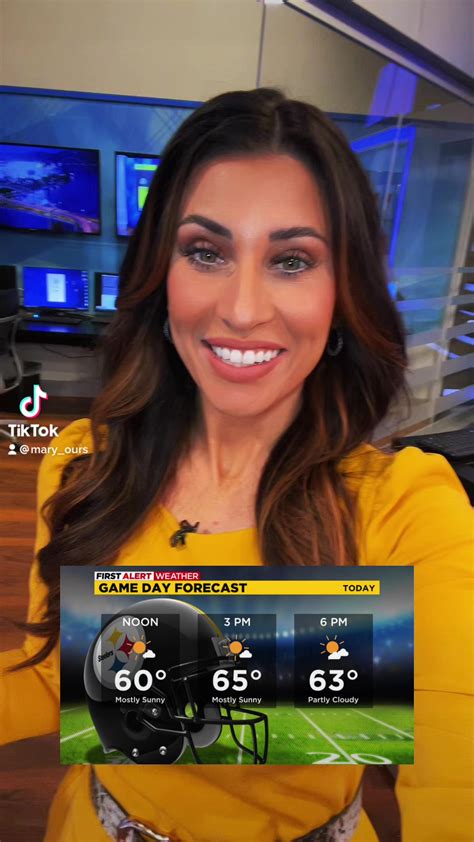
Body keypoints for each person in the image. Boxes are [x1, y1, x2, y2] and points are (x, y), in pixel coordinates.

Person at [1, 88, 472, 842]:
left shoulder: (407, 510)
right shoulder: (86, 461)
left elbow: (458, 778)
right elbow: (62, 672)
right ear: (160, 274)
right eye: (206, 252)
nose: (244, 309)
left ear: (343, 293)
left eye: (292, 260)